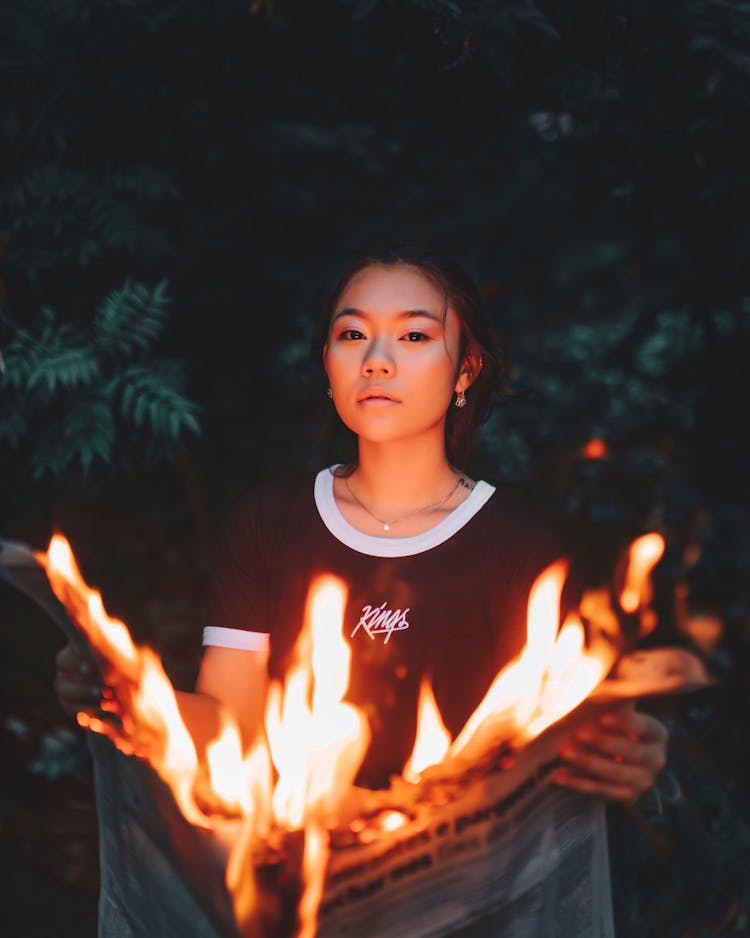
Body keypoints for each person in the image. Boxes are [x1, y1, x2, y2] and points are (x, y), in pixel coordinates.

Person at [55, 246, 668, 929]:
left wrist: (620, 746)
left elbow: (545, 757)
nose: (377, 358)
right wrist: (131, 693)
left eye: (414, 335)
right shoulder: (268, 524)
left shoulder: (518, 550)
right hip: (297, 896)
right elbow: (232, 723)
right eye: (353, 334)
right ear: (327, 365)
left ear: (466, 370)